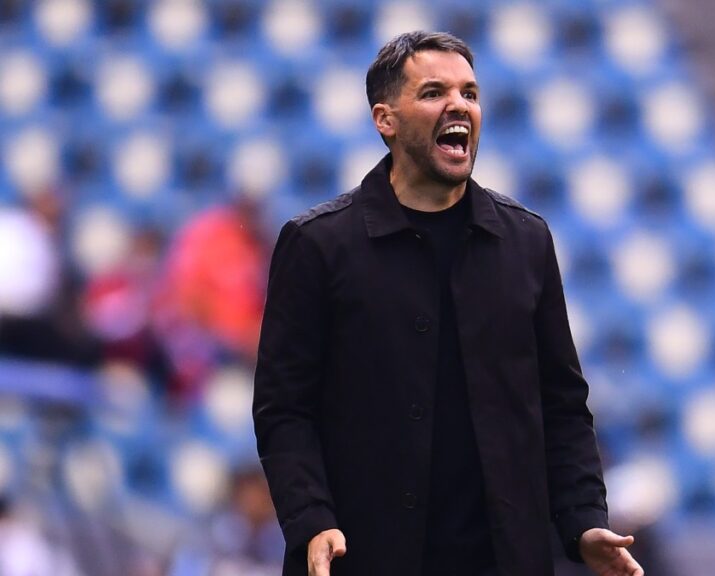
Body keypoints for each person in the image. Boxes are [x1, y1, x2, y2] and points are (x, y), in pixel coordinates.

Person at [253, 31, 643, 576]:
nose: (459, 105)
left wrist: (583, 520)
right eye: (434, 92)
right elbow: (284, 410)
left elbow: (562, 406)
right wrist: (311, 519)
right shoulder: (317, 244)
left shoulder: (527, 240)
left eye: (470, 93)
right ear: (385, 120)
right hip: (362, 558)